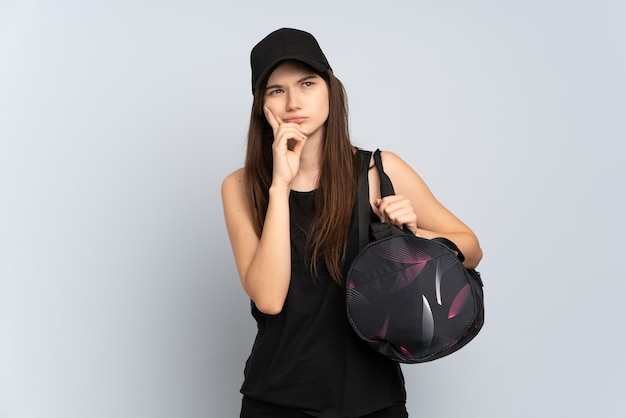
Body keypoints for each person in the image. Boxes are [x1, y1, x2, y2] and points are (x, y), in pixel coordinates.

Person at [221, 28, 482, 418]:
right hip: (277, 400)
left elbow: (472, 248)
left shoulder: (380, 170)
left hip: (373, 399)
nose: (294, 101)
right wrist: (280, 187)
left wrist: (413, 233)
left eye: (307, 83)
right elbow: (269, 299)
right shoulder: (241, 186)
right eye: (276, 90)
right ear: (263, 106)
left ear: (330, 88)